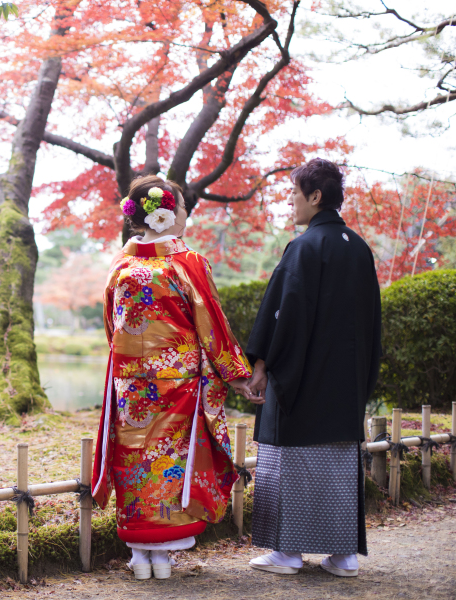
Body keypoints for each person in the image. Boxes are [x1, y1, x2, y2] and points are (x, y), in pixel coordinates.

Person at [90, 175, 255, 580]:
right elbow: (211, 323)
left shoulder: (120, 265)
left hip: (131, 386)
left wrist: (131, 368)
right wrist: (235, 373)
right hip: (177, 386)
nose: (186, 214)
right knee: (169, 461)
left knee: (133, 458)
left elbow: (112, 329)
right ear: (165, 214)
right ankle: (162, 555)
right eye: (182, 208)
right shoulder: (187, 262)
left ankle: (139, 554)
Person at [245, 158, 382, 577]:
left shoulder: (303, 247)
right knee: (339, 464)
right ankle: (343, 557)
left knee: (290, 459)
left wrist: (262, 365)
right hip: (345, 384)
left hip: (302, 382)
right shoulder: (359, 248)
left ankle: (287, 553)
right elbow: (372, 322)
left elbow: (282, 315)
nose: (291, 204)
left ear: (315, 196)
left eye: (294, 195)